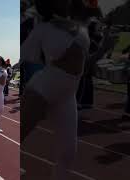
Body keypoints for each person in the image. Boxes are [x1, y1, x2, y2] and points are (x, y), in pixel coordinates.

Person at [21, 0, 92, 179]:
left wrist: (105, 46)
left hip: (67, 96)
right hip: (42, 89)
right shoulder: (42, 28)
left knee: (68, 154)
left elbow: (84, 64)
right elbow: (27, 56)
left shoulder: (80, 26)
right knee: (17, 138)